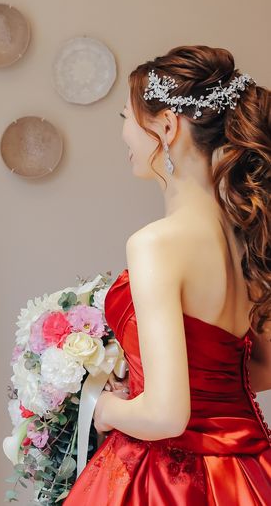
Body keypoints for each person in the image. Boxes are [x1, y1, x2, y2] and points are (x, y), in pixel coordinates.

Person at [64, 45, 271, 504]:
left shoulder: (156, 244)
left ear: (167, 126)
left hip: (172, 477)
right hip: (248, 469)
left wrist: (106, 408)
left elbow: (165, 416)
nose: (124, 134)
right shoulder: (248, 238)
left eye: (126, 117)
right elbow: (262, 369)